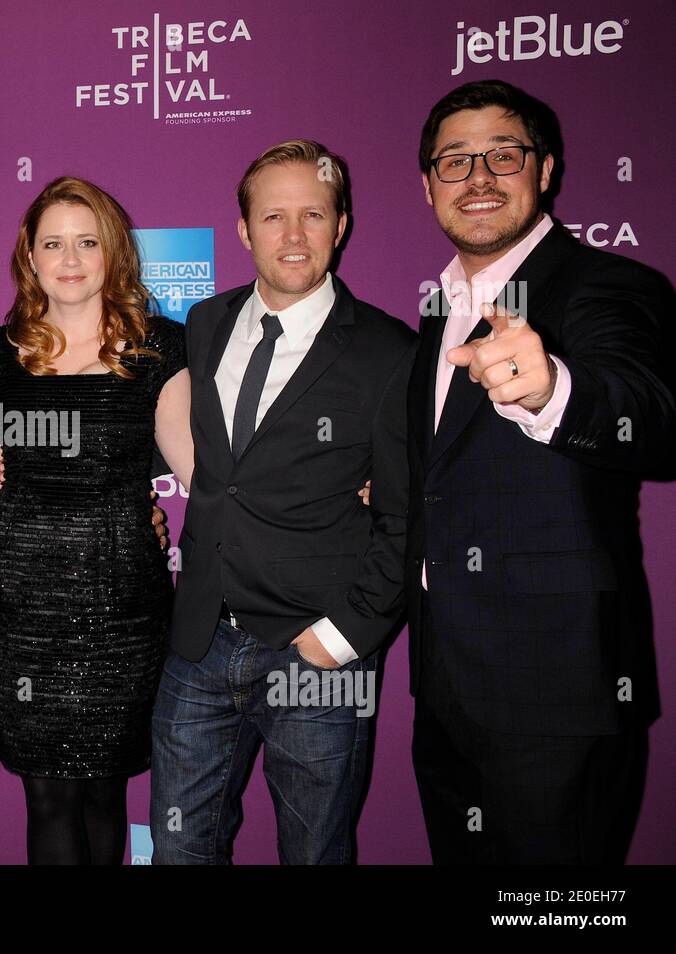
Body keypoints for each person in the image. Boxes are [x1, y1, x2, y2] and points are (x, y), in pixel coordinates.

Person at [407, 80, 676, 864]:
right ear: (427, 187)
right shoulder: (437, 310)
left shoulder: (608, 286)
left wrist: (555, 388)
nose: (479, 178)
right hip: (447, 685)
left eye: (504, 155)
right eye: (455, 162)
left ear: (545, 169)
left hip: (561, 692)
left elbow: (653, 418)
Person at [151, 140, 416, 864]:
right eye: (273, 217)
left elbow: (407, 512)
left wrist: (342, 636)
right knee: (180, 851)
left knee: (314, 852)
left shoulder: (390, 352)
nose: (293, 236)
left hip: (316, 653)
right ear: (243, 229)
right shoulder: (203, 325)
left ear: (342, 225)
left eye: (313, 215)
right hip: (200, 642)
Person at [0, 176, 193, 865]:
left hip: (120, 612)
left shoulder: (160, 347)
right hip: (20, 611)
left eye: (87, 242)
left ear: (112, 253)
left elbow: (198, 475)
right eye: (53, 243)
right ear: (29, 257)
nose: (70, 259)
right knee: (46, 798)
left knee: (102, 793)